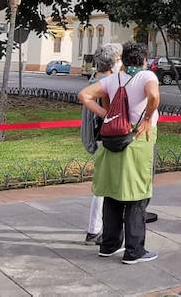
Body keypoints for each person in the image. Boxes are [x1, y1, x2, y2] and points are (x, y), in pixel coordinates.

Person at [80, 43, 159, 264]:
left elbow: (84, 95)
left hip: (112, 139)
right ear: (144, 60)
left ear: (123, 59)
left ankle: (109, 244)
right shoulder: (146, 77)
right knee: (137, 196)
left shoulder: (112, 79)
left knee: (113, 193)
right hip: (137, 141)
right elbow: (154, 96)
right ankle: (134, 251)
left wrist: (107, 115)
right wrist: (145, 119)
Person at [80, 43, 122, 244]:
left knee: (103, 184)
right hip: (104, 138)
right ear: (113, 62)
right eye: (120, 59)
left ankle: (96, 228)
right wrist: (109, 115)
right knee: (105, 186)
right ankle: (96, 229)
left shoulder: (96, 78)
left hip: (98, 137)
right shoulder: (106, 81)